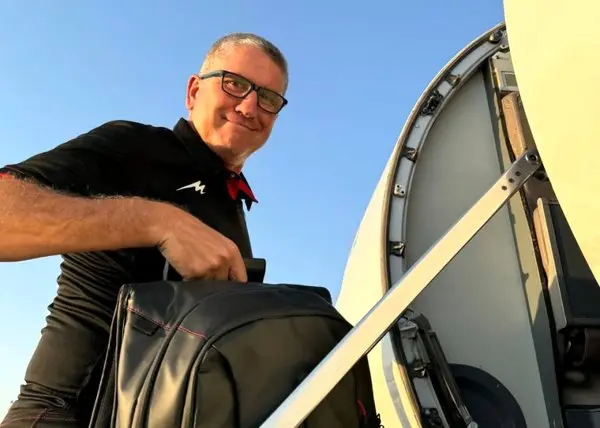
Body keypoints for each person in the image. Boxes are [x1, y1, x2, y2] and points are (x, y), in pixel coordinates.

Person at [0, 32, 289, 428]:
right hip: (61, 416)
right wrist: (157, 221)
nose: (250, 105)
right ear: (194, 91)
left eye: (269, 98)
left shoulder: (233, 203)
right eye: (235, 83)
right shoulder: (136, 145)